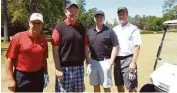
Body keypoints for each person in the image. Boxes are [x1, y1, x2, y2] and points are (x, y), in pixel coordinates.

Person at [51, 3, 90, 92]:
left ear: (78, 13)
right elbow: (55, 50)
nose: (73, 13)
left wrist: (89, 63)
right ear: (65, 12)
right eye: (70, 11)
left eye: (75, 11)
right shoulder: (59, 28)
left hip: (79, 67)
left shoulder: (81, 28)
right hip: (64, 68)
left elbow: (85, 47)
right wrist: (58, 68)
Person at [5, 13, 48, 92]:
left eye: (38, 23)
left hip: (38, 76)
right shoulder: (18, 37)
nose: (35, 25)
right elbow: (9, 60)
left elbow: (44, 59)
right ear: (29, 23)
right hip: (21, 77)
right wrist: (11, 79)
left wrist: (46, 74)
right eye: (33, 22)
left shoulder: (43, 40)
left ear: (41, 25)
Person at [87, 10, 119, 92]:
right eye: (97, 17)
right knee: (95, 85)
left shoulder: (110, 31)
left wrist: (111, 62)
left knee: (106, 86)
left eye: (101, 16)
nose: (99, 18)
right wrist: (88, 63)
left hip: (105, 62)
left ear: (104, 18)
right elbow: (86, 48)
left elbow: (116, 46)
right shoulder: (89, 32)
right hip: (93, 61)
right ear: (94, 19)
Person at [113, 7, 142, 92]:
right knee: (119, 85)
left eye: (123, 14)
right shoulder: (114, 29)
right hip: (117, 60)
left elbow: (137, 46)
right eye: (120, 14)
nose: (121, 16)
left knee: (131, 87)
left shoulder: (133, 29)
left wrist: (133, 62)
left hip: (129, 59)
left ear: (127, 15)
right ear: (118, 16)